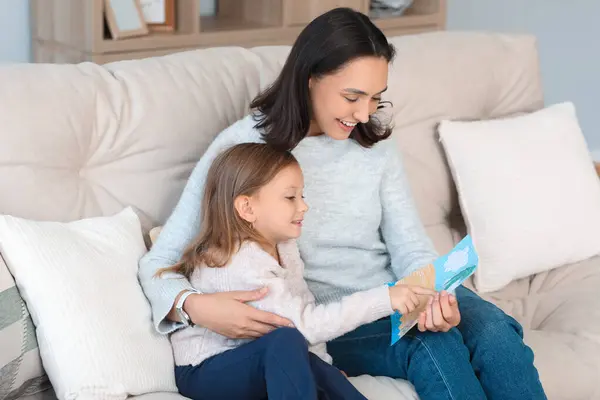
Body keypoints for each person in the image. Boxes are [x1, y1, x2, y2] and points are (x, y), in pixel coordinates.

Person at [139, 7, 547, 400]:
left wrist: (434, 296)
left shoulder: (375, 147)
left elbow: (409, 245)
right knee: (429, 344)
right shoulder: (242, 149)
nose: (364, 113)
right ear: (310, 78)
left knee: (493, 329)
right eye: (352, 96)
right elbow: (159, 262)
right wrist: (191, 307)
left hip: (397, 295)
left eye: (375, 98)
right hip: (331, 318)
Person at [159, 142, 434, 400]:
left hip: (259, 358)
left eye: (302, 195)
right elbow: (303, 326)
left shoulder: (285, 247)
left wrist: (323, 369)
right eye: (290, 197)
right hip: (206, 370)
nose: (304, 206)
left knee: (304, 356)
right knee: (286, 339)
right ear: (247, 207)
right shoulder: (239, 261)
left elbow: (303, 303)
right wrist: (386, 298)